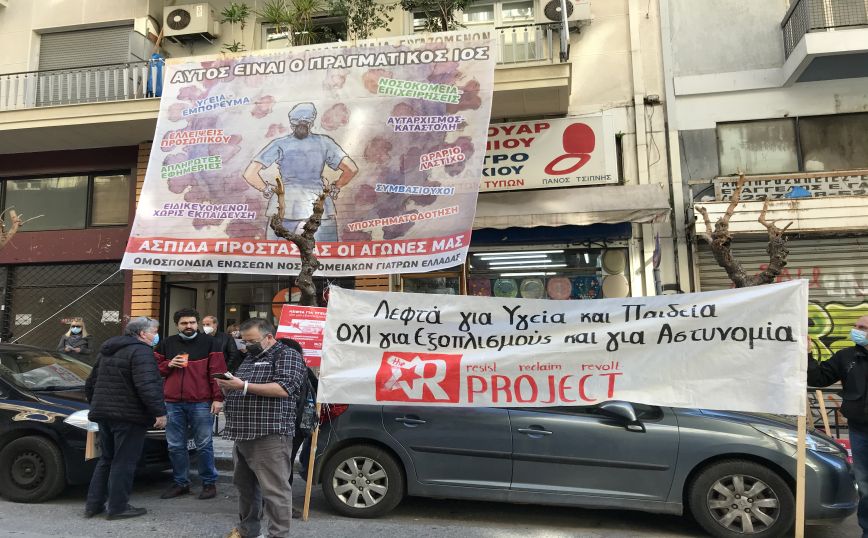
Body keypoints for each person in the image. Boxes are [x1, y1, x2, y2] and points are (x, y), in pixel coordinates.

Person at [216, 318, 306, 538]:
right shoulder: (250, 358)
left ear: (269, 337)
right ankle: (248, 531)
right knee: (244, 487)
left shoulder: (286, 355)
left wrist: (243, 386)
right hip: (242, 432)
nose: (247, 345)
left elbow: (284, 388)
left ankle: (278, 534)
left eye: (252, 341)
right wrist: (229, 387)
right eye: (244, 341)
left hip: (269, 434)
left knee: (274, 490)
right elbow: (242, 387)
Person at [84, 317, 167, 520]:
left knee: (106, 459)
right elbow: (147, 385)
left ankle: (93, 505)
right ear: (142, 333)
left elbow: (90, 383)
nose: (156, 336)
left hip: (104, 413)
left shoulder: (107, 350)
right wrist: (159, 412)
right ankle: (118, 507)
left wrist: (98, 405)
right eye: (154, 331)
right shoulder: (142, 352)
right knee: (124, 461)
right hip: (129, 415)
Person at [243, 102, 358, 242]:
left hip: (282, 209)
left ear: (291, 124)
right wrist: (335, 187)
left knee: (279, 254)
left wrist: (267, 189)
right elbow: (351, 169)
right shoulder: (325, 142)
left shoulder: (279, 144)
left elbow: (249, 174)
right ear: (311, 122)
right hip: (319, 211)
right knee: (324, 253)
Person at [155, 308, 227, 500]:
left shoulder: (210, 342)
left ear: (197, 324)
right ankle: (181, 483)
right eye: (184, 323)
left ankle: (209, 483)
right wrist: (168, 365)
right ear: (177, 325)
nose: (189, 326)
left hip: (201, 402)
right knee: (175, 446)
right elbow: (153, 369)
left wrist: (218, 398)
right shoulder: (167, 343)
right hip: (172, 402)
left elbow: (217, 372)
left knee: (204, 444)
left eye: (192, 322)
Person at [807, 315, 868, 538]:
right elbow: (819, 378)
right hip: (860, 431)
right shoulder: (847, 356)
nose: (856, 330)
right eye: (856, 326)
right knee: (865, 486)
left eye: (863, 327)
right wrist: (807, 355)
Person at [278, 338, 318, 519]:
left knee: (283, 466)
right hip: (289, 425)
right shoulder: (297, 369)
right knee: (281, 466)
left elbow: (317, 388)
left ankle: (281, 505)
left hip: (294, 425)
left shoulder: (301, 369)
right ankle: (279, 505)